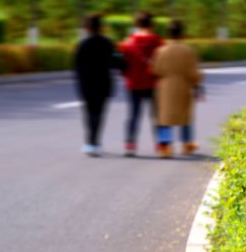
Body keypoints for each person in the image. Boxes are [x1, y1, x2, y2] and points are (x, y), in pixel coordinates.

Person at [73, 14, 123, 157]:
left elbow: (77, 67)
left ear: (87, 28)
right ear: (101, 27)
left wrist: (80, 84)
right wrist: (122, 59)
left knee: (88, 114)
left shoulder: (82, 44)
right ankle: (95, 143)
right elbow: (116, 63)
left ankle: (89, 142)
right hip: (103, 84)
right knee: (99, 115)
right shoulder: (108, 43)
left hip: (86, 85)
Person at [152, 19, 204, 158]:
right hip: (183, 86)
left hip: (165, 87)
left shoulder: (161, 51)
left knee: (164, 117)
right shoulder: (188, 51)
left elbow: (155, 69)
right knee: (185, 115)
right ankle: (187, 144)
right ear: (182, 34)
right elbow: (194, 73)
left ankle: (165, 146)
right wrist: (197, 83)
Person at [119, 11, 164, 157]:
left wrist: (128, 76)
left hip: (133, 84)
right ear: (152, 25)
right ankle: (161, 145)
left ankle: (130, 144)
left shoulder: (128, 42)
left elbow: (122, 65)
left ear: (136, 25)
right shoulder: (158, 42)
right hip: (154, 83)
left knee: (133, 115)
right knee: (157, 116)